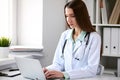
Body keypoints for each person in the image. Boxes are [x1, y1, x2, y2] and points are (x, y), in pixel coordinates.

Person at [43, 0, 101, 79]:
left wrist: (64, 74)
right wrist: (47, 70)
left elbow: (91, 69)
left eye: (72, 16)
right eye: (66, 16)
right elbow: (58, 63)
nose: (68, 20)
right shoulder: (65, 35)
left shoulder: (94, 37)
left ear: (82, 16)